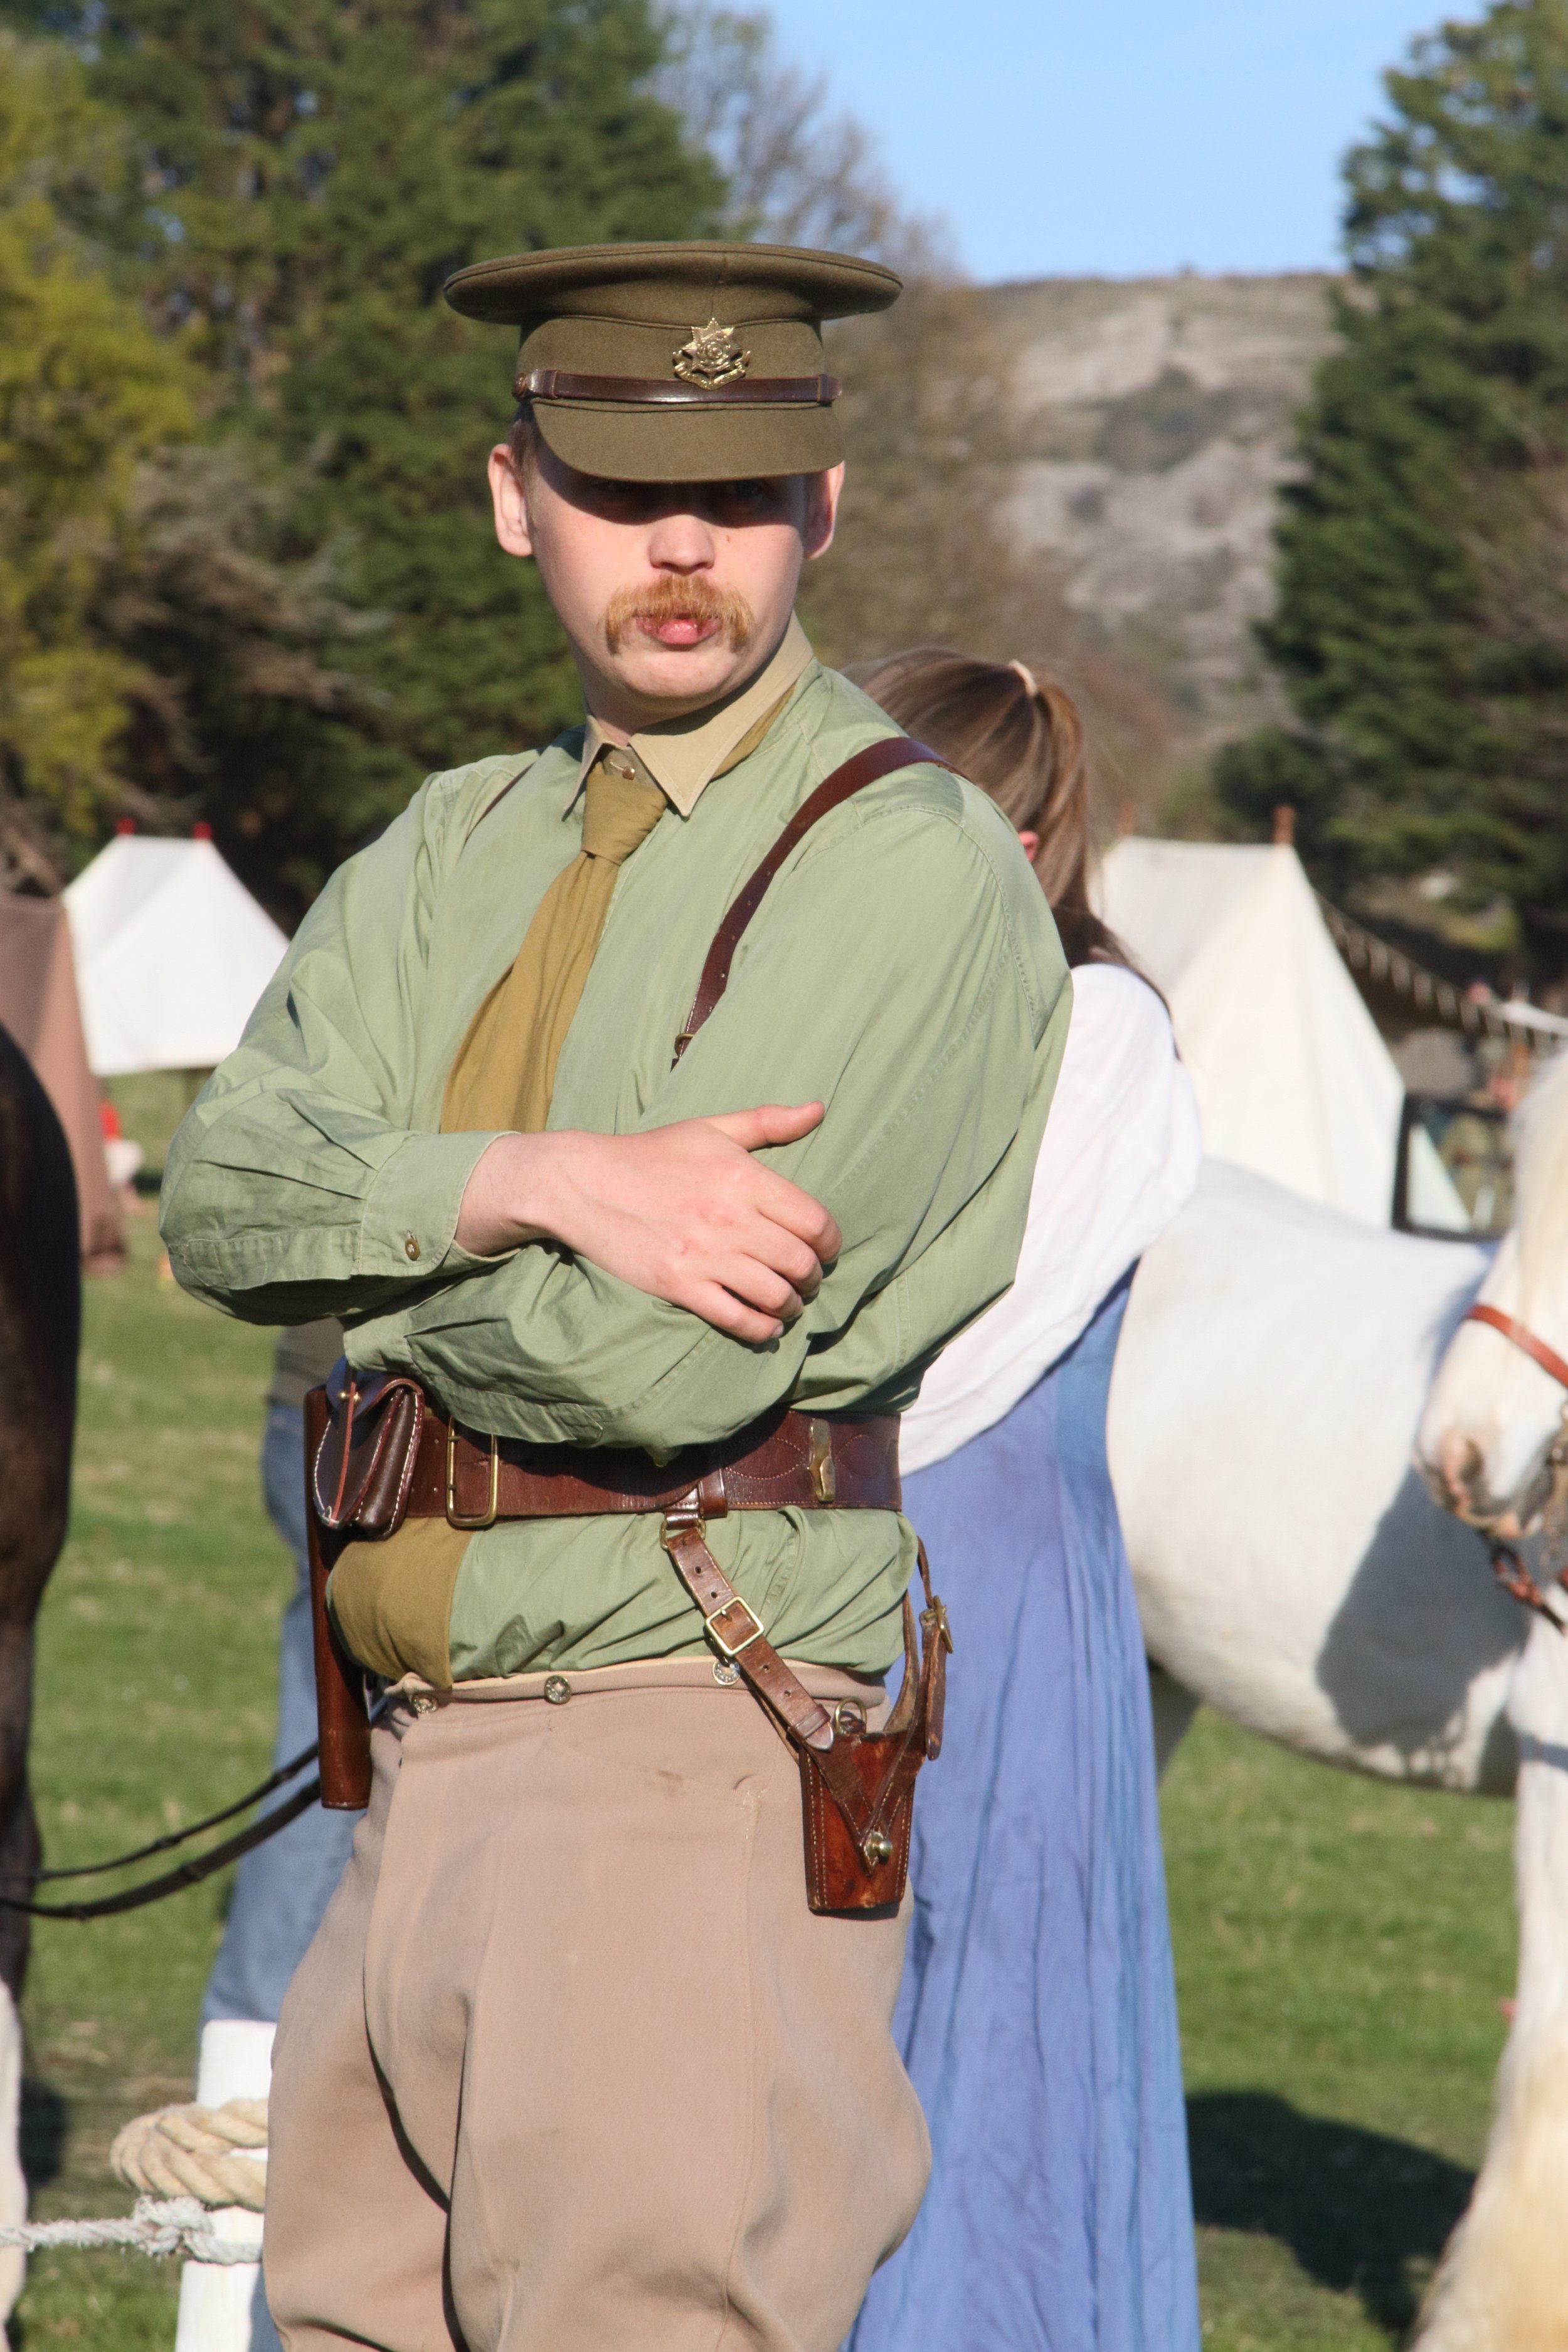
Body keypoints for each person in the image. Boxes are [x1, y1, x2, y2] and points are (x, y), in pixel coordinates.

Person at [159, 243, 1071, 2352]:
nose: (683, 547)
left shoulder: (901, 860)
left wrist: (382, 1274)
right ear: (516, 499)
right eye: (625, 490)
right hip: (413, 1744)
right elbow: (218, 1199)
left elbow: (655, 1358)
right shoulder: (450, 843)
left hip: (683, 1737)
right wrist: (536, 1181)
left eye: (740, 496)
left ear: (821, 507)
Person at [845, 648, 1204, 2352]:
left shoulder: (1102, 1024)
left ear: (1032, 838)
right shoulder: (858, 1002)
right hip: (845, 1534)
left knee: (988, 1991)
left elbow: (968, 1341)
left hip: (981, 1561)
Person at [201, 1317, 352, 2031]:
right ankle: (254, 2031)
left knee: (334, 1742)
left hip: (329, 1413)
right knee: (339, 1752)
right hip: (363, 1424)